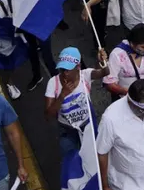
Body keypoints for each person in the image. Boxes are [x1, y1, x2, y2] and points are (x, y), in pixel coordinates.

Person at [44, 46, 110, 177]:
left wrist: (102, 60)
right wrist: (62, 95)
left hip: (88, 126)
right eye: (62, 69)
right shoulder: (53, 83)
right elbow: (48, 115)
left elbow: (105, 72)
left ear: (78, 66)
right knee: (71, 164)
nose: (65, 73)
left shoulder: (85, 75)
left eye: (68, 69)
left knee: (93, 160)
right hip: (67, 131)